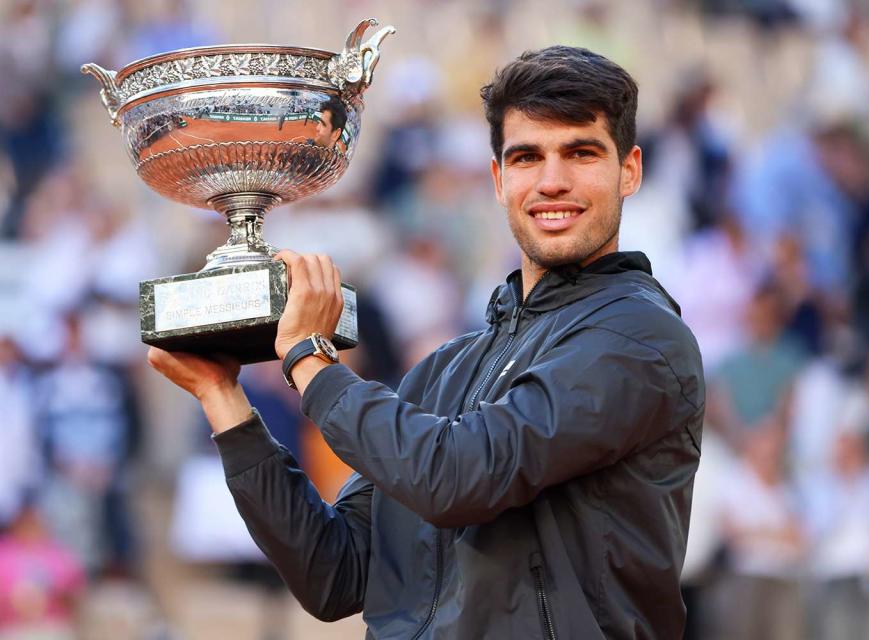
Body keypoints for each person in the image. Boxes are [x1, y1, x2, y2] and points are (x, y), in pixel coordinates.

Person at [148, 46, 705, 639]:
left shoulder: (640, 336)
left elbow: (459, 476)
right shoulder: (447, 368)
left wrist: (310, 358)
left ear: (630, 170)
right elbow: (334, 574)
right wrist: (223, 399)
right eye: (526, 157)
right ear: (498, 179)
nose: (551, 181)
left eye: (581, 153)